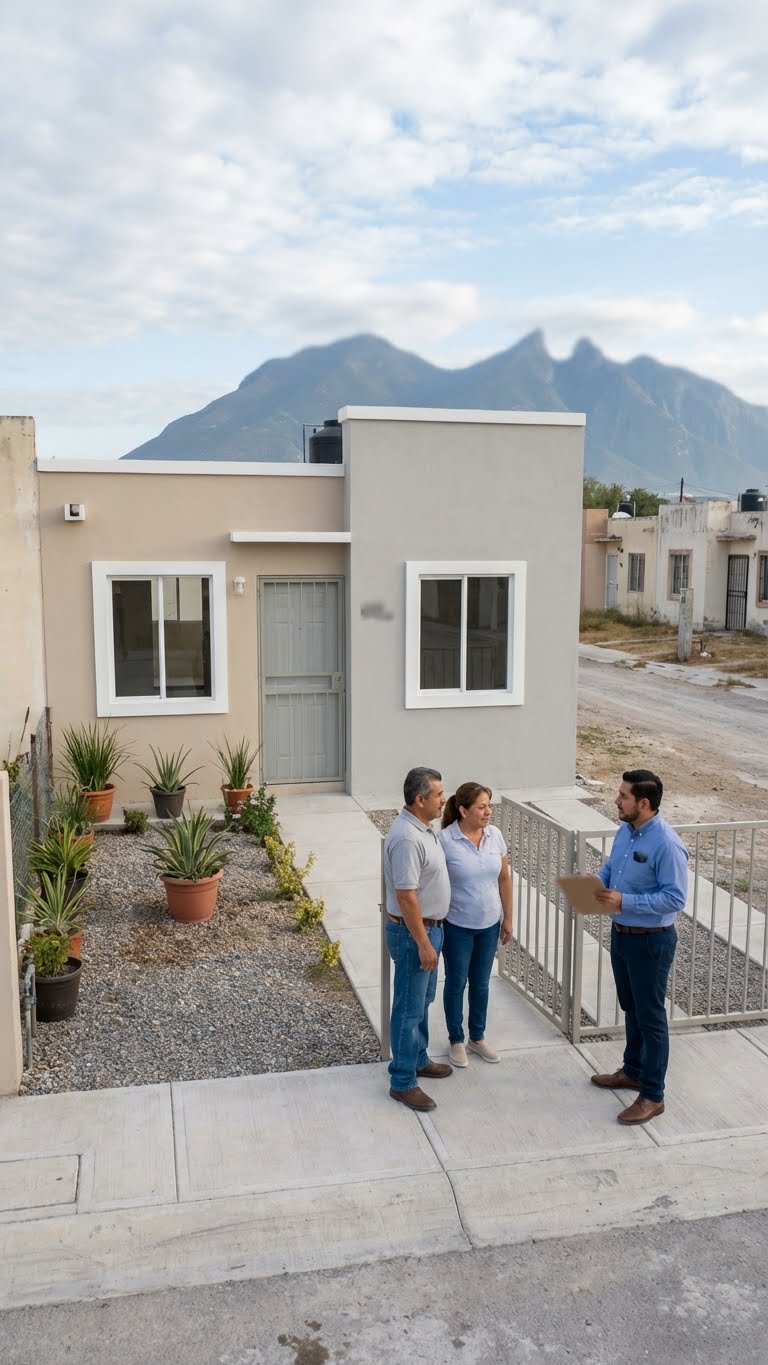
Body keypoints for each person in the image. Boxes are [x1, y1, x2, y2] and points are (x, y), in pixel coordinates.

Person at [592, 769, 688, 1125]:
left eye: (623, 797)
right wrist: (596, 884)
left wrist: (624, 901)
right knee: (631, 1007)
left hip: (651, 942)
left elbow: (675, 898)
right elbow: (611, 868)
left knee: (650, 1017)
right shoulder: (625, 832)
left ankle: (652, 1095)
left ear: (643, 804)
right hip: (621, 935)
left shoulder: (667, 843)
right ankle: (632, 1070)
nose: (616, 801)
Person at [383, 767, 452, 1112]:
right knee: (408, 1009)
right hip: (416, 934)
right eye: (439, 794)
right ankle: (403, 1080)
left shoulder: (424, 829)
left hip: (430, 929)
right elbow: (407, 896)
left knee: (421, 1001)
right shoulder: (408, 839)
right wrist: (424, 943)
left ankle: (419, 1059)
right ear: (420, 799)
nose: (444, 799)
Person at [438, 783, 513, 1067]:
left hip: (489, 925)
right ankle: (456, 1039)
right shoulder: (444, 841)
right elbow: (434, 883)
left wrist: (508, 917)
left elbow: (504, 878)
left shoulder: (495, 836)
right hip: (457, 925)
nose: (488, 812)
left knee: (481, 984)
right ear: (463, 810)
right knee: (456, 983)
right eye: (481, 807)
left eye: (489, 806)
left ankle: (477, 1037)